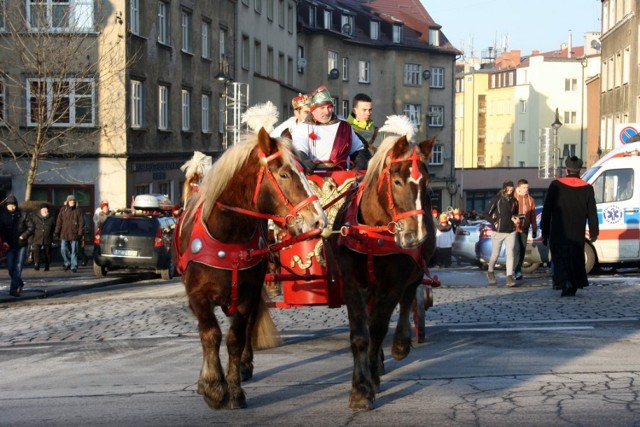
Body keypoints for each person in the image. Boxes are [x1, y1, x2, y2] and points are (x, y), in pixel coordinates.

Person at [541, 156, 599, 297]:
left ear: (566, 170)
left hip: (558, 230)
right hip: (577, 231)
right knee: (576, 257)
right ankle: (574, 283)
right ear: (579, 170)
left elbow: (547, 209)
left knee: (560, 258)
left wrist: (545, 230)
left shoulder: (556, 185)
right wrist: (594, 231)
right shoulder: (587, 188)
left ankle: (564, 281)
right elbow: (592, 212)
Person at [291, 85, 371, 173]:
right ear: (313, 110)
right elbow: (299, 149)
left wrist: (360, 164)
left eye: (329, 107)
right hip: (313, 177)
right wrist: (304, 162)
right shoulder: (302, 128)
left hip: (342, 177)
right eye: (322, 108)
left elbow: (358, 150)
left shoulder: (344, 127)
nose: (327, 111)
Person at [483, 181, 519, 287]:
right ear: (504, 189)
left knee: (510, 253)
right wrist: (494, 222)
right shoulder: (496, 200)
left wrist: (516, 219)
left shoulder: (514, 201)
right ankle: (490, 271)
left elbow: (515, 213)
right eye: (508, 190)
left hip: (510, 231)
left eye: (512, 190)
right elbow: (485, 214)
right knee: (495, 254)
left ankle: (509, 277)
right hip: (498, 231)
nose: (510, 192)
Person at [0, 196, 34, 297]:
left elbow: (31, 226)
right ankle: (19, 282)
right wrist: (5, 241)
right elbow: (2, 231)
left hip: (21, 244)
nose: (12, 207)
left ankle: (13, 289)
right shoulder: (3, 216)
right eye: (9, 205)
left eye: (13, 205)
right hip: (9, 244)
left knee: (18, 266)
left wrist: (24, 236)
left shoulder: (23, 214)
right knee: (10, 267)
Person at [513, 179, 538, 280]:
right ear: (518, 187)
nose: (526, 190)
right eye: (524, 188)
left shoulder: (530, 199)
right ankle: (515, 270)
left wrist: (534, 228)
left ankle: (518, 269)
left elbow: (533, 215)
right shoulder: (513, 197)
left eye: (527, 187)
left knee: (523, 249)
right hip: (514, 228)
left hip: (525, 228)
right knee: (516, 248)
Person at [55, 194, 84, 273]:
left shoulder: (78, 210)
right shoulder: (63, 210)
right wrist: (57, 231)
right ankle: (67, 262)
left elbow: (81, 223)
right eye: (70, 201)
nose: (72, 202)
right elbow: (59, 221)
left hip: (75, 233)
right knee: (63, 249)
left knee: (74, 251)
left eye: (73, 201)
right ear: (67, 202)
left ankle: (73, 265)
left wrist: (80, 233)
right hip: (64, 233)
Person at [30, 203, 56, 271]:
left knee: (47, 252)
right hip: (37, 237)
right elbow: (32, 227)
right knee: (36, 251)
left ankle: (47, 265)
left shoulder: (51, 217)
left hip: (48, 237)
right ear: (40, 210)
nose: (44, 210)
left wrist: (54, 234)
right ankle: (36, 263)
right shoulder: (35, 217)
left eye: (46, 209)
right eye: (43, 209)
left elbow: (54, 227)